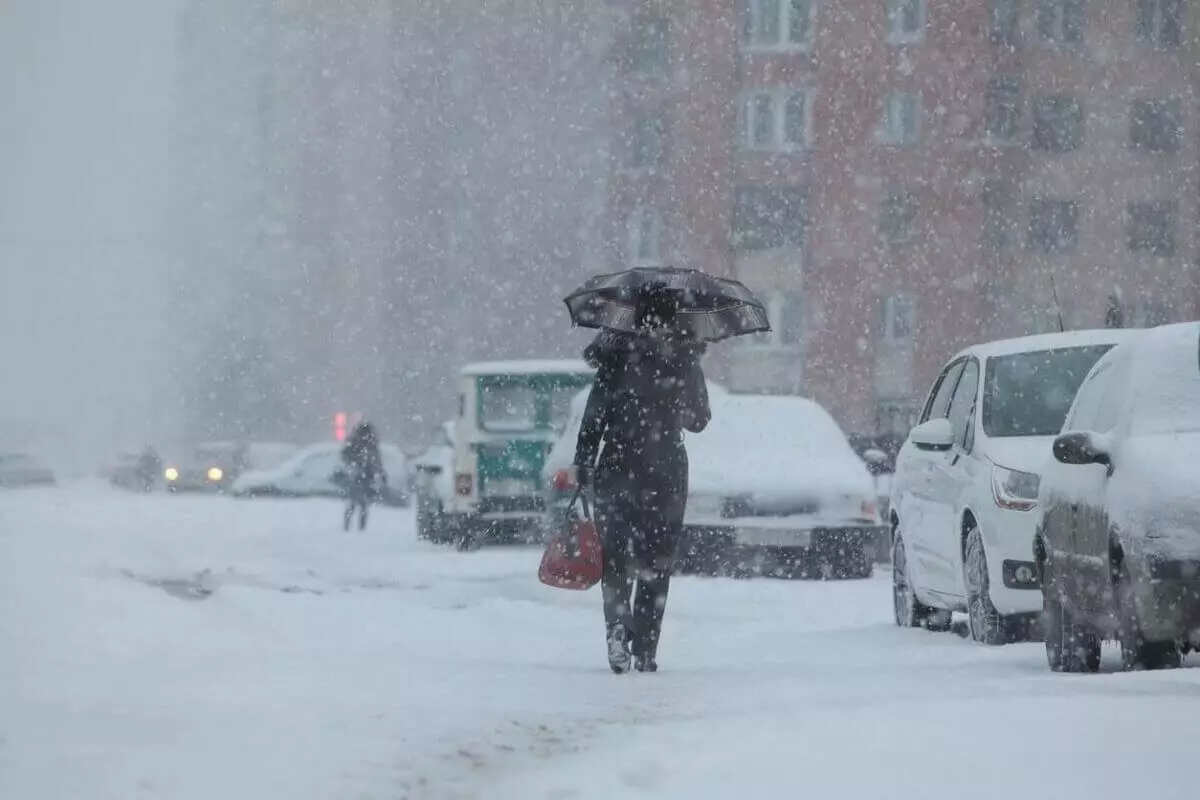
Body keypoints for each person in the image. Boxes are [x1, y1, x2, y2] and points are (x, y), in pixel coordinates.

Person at [573, 284, 711, 674]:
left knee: (615, 557)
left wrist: (582, 466)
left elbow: (593, 419)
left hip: (616, 465)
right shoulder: (684, 359)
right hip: (665, 469)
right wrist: (676, 413)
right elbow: (701, 419)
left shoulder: (615, 358)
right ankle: (646, 649)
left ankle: (618, 628)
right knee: (656, 561)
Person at [340, 421, 387, 531]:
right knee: (361, 503)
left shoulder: (355, 443)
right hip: (363, 475)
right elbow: (376, 461)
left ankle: (350, 526)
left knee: (356, 503)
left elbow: (376, 461)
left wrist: (355, 463)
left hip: (360, 475)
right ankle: (359, 527)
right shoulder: (368, 444)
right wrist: (380, 472)